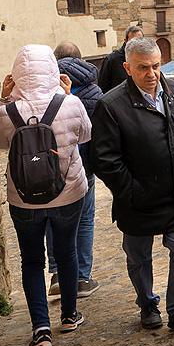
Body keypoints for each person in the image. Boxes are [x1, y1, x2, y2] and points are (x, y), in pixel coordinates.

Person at [0, 44, 92, 346]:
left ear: (17, 75)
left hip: (25, 200)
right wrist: (69, 95)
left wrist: (3, 100)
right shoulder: (70, 104)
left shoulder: (7, 112)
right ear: (52, 71)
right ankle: (70, 315)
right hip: (68, 194)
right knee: (67, 251)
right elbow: (85, 134)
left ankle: (41, 329)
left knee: (32, 260)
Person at [91, 38, 174, 335]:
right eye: (143, 68)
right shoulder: (111, 105)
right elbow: (105, 159)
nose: (152, 74)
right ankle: (147, 303)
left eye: (156, 66)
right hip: (137, 198)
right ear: (128, 68)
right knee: (138, 255)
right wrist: (131, 191)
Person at [43, 42, 104, 299]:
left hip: (50, 168)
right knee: (85, 220)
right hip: (84, 167)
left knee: (52, 219)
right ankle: (82, 276)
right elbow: (96, 134)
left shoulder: (44, 89)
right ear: (81, 59)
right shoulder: (94, 91)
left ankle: (57, 272)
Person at [98, 25, 143, 92]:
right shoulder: (111, 60)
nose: (137, 44)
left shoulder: (145, 59)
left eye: (140, 41)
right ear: (125, 41)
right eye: (133, 42)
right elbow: (102, 87)